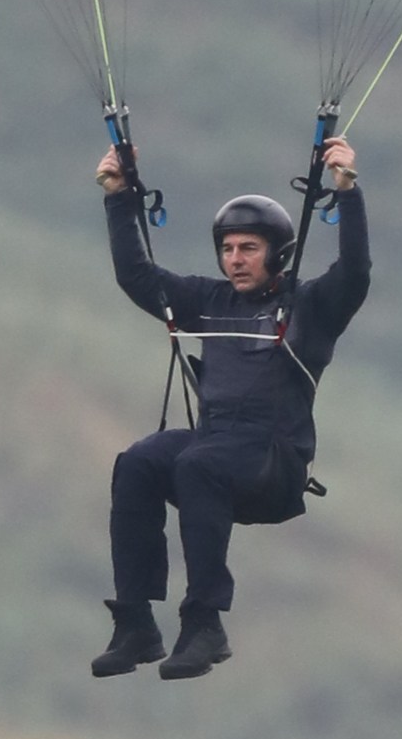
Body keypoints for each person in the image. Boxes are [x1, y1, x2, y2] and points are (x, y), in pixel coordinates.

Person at [91, 136, 371, 680]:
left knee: (197, 463)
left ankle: (204, 625)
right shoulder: (209, 300)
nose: (235, 261)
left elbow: (355, 274)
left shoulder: (309, 307)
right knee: (140, 461)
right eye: (228, 249)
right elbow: (138, 277)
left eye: (248, 249)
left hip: (272, 463)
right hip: (216, 447)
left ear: (278, 253)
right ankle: (136, 624)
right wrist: (119, 197)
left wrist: (348, 192)